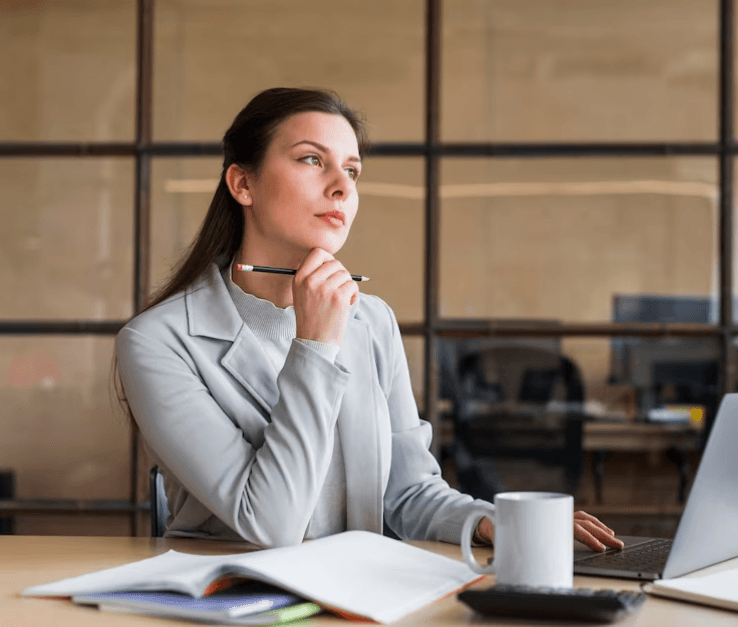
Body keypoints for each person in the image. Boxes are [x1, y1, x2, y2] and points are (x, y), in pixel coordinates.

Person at [115, 87, 624, 550]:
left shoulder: (372, 321)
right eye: (312, 160)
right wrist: (314, 345)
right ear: (242, 183)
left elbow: (408, 494)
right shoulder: (157, 342)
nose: (342, 187)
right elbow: (269, 524)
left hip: (358, 601)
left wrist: (492, 521)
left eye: (352, 171)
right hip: (235, 601)